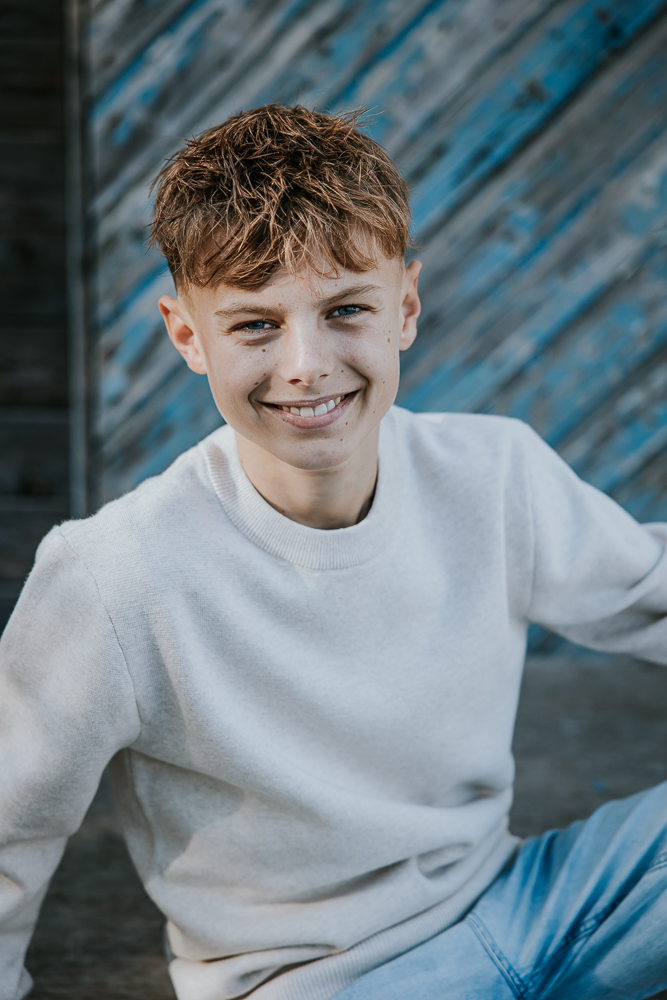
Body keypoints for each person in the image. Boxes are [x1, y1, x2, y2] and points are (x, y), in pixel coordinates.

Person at [1, 104, 667, 1000]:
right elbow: (10, 829)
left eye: (346, 308)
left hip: (535, 903)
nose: (306, 364)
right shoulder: (114, 575)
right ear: (187, 335)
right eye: (255, 326)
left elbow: (652, 590)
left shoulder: (493, 473)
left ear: (406, 308)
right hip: (318, 978)